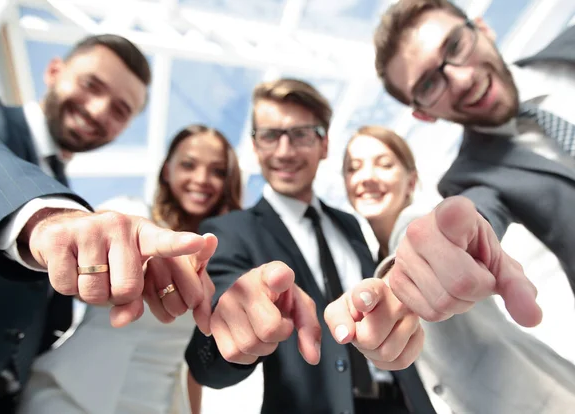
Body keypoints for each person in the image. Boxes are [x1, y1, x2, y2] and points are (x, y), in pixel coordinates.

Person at [0, 35, 215, 413]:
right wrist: (45, 220)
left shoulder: (72, 197)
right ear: (54, 70)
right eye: (91, 85)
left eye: (121, 110)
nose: (100, 110)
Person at [185, 78, 442, 414]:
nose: (284, 151)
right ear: (255, 146)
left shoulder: (350, 225)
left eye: (301, 134)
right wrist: (229, 322)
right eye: (269, 135)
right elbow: (213, 344)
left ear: (324, 145)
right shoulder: (230, 230)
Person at [340, 125, 575, 413]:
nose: (366, 177)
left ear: (411, 182)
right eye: (354, 168)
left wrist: (397, 273)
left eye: (385, 164)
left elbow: (423, 244)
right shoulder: (375, 255)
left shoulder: (418, 227)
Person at [371, 0, 574, 324]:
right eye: (428, 84)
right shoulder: (468, 179)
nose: (462, 79)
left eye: (455, 45)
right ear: (424, 114)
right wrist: (413, 269)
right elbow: (465, 224)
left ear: (482, 29)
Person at [16, 124, 242, 414]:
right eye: (188, 164)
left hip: (157, 402)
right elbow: (81, 260)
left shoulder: (221, 259)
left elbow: (193, 364)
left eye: (218, 171)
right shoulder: (128, 214)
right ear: (166, 170)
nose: (202, 179)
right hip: (74, 391)